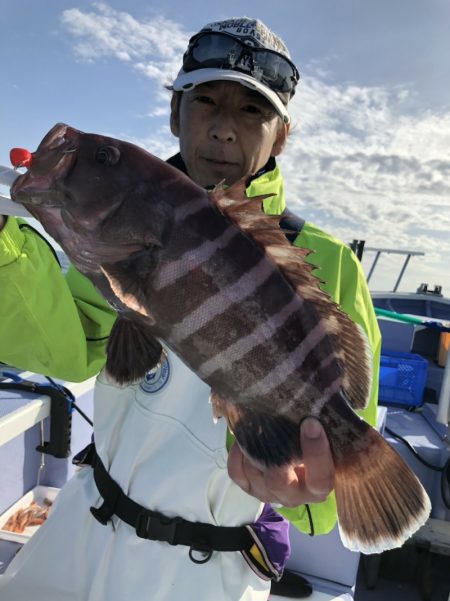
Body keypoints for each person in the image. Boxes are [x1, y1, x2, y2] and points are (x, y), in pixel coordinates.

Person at [0, 16, 381, 601]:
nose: (224, 130)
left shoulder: (327, 263)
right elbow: (68, 351)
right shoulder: (116, 234)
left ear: (280, 135)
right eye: (206, 102)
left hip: (207, 574)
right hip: (82, 526)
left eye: (252, 112)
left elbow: (318, 509)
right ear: (176, 114)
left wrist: (304, 486)